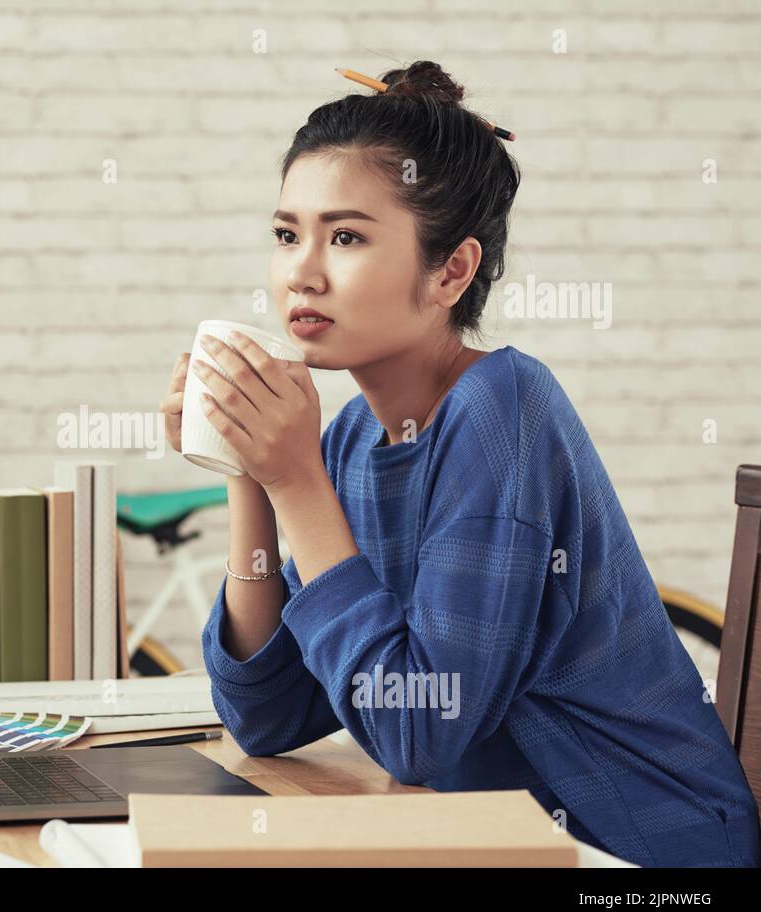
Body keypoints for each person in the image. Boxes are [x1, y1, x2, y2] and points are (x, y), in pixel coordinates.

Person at [158, 61, 758, 868]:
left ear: (451, 271)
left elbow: (417, 731)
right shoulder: (348, 444)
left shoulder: (503, 410)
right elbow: (266, 716)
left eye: (345, 237)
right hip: (517, 844)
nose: (301, 270)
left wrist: (295, 480)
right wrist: (249, 468)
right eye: (285, 234)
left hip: (646, 861)